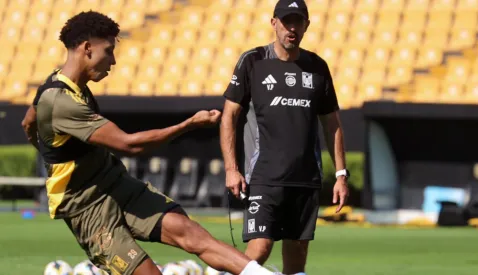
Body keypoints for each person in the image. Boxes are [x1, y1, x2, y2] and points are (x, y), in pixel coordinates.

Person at [21, 11, 282, 275]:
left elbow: (28, 122)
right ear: (87, 48)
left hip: (116, 185)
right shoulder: (60, 101)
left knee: (192, 235)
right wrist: (188, 125)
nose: (112, 61)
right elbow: (129, 145)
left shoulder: (59, 85)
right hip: (88, 209)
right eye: (108, 51)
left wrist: (51, 150)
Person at [219, 0, 350, 274]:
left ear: (306, 26)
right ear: (273, 23)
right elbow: (229, 116)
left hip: (305, 178)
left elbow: (332, 124)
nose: (292, 28)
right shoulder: (252, 61)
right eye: (286, 21)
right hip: (263, 177)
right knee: (259, 249)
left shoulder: (317, 67)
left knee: (297, 259)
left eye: (298, 22)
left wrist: (340, 174)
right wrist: (232, 169)